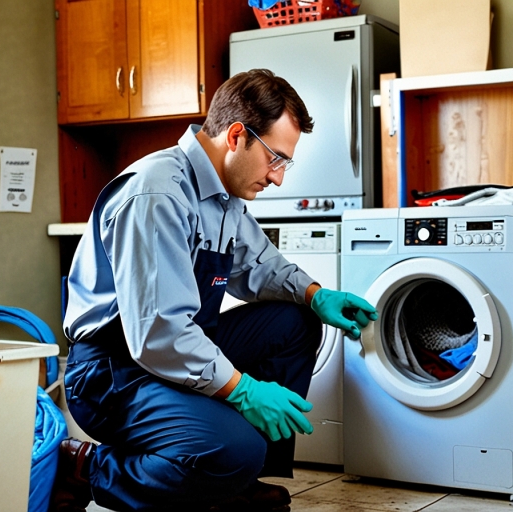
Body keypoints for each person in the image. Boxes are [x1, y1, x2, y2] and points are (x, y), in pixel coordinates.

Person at [52, 68, 378, 512]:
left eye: (286, 163)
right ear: (237, 136)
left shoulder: (224, 197)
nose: (279, 177)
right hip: (113, 372)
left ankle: (235, 482)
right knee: (232, 450)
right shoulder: (157, 194)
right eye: (275, 159)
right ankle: (85, 469)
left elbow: (261, 266)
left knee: (295, 321)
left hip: (171, 353)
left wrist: (316, 295)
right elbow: (159, 334)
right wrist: (243, 390)